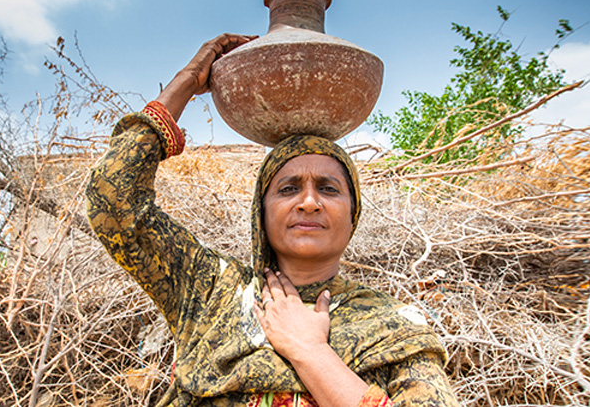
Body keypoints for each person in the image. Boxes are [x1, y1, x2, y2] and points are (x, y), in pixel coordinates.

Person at [86, 34, 459, 407]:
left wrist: (310, 351)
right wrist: (186, 80)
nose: (309, 202)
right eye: (288, 189)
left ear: (352, 214)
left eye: (329, 189)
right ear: (260, 213)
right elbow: (113, 201)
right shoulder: (211, 289)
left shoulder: (392, 326)